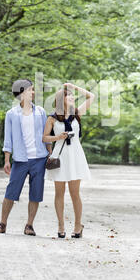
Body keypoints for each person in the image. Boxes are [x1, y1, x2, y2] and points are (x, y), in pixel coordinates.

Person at [0, 79, 52, 236]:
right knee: (11, 191)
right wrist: (6, 160)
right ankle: (3, 223)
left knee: (36, 193)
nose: (33, 92)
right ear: (23, 92)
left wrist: (50, 153)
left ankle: (29, 225)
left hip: (39, 158)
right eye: (31, 90)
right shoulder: (11, 114)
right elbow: (8, 139)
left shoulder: (40, 112)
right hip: (20, 159)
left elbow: (46, 135)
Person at [43, 83, 94, 238]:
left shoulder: (77, 113)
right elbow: (44, 138)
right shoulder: (52, 118)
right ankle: (61, 225)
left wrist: (74, 87)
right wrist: (58, 137)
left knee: (75, 193)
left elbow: (91, 96)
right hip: (60, 155)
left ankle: (78, 226)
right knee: (59, 193)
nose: (72, 97)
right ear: (61, 100)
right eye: (69, 95)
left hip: (75, 156)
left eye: (72, 95)